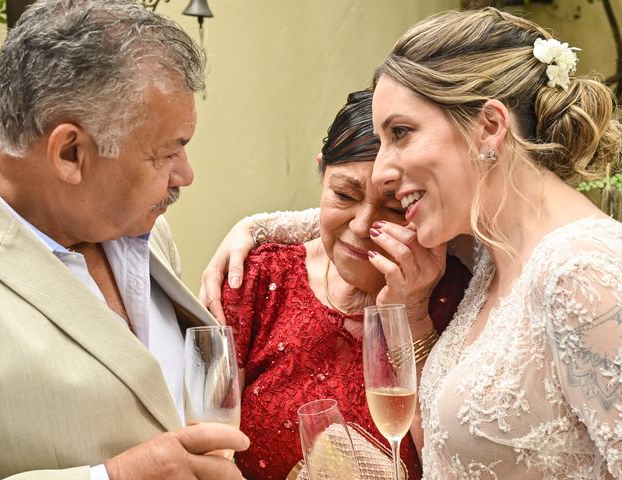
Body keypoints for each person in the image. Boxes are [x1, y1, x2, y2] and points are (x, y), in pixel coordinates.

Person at [0, 1, 249, 479]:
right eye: (167, 153)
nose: (186, 175)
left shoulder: (143, 229)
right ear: (70, 153)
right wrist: (108, 478)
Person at [368, 7, 622, 479]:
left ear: (489, 126)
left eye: (400, 133)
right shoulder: (490, 256)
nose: (381, 171)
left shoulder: (583, 272)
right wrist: (259, 230)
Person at [217, 89, 471, 480]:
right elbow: (206, 439)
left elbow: (455, 461)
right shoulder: (261, 278)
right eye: (343, 195)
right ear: (321, 172)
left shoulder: (456, 296)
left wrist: (412, 313)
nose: (360, 226)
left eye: (393, 207)